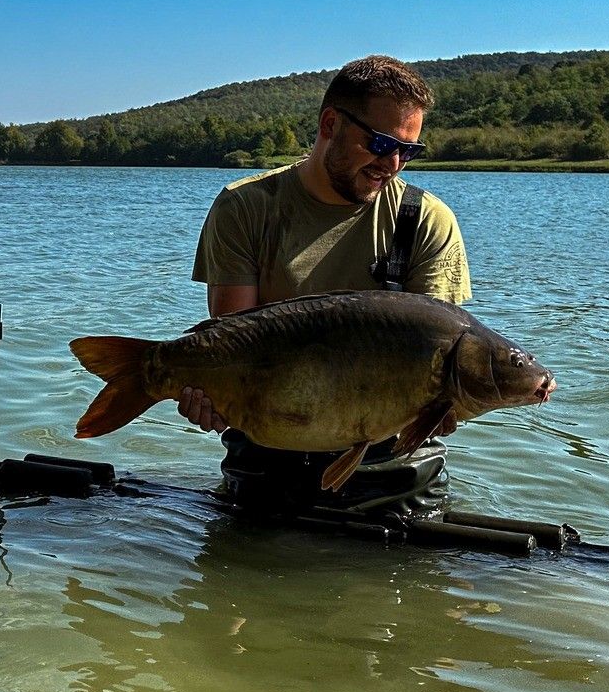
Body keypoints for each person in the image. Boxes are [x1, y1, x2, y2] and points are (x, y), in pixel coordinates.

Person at [184, 54, 472, 517]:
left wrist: (445, 404)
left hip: (395, 473)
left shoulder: (427, 220)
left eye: (409, 151)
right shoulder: (246, 208)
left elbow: (434, 345)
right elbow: (231, 347)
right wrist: (212, 397)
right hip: (268, 458)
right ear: (330, 124)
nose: (393, 163)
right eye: (380, 143)